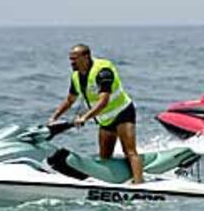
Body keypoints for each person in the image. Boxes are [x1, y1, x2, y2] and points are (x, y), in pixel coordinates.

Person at [48, 44, 144, 184]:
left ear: (86, 57)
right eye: (70, 59)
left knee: (129, 151)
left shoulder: (103, 72)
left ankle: (139, 184)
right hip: (105, 118)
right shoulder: (76, 77)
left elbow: (103, 101)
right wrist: (54, 117)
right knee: (104, 157)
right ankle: (112, 181)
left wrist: (85, 118)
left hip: (122, 112)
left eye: (75, 59)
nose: (72, 63)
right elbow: (70, 100)